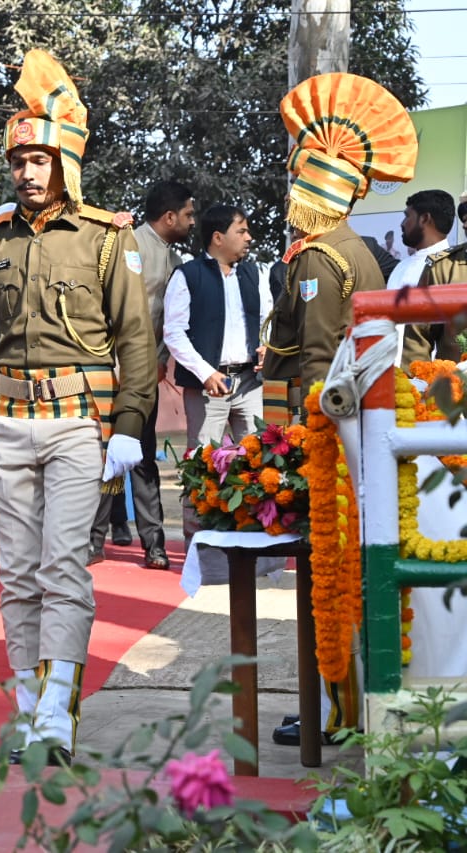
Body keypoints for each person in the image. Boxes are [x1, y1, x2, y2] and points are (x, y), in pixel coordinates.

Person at [0, 50, 156, 764]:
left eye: (39, 158)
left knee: (62, 568)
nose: (25, 171)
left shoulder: (105, 238)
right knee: (17, 572)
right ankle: (29, 703)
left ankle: (60, 706)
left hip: (81, 427)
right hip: (9, 426)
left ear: (66, 164)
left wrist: (131, 426)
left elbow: (135, 340)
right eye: (17, 158)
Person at [261, 72, 417, 747]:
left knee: (333, 576)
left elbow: (319, 360)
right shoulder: (364, 251)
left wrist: (297, 436)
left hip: (333, 435)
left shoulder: (319, 258)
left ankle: (337, 710)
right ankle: (342, 705)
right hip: (366, 429)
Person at [89, 180, 194, 569]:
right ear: (169, 216)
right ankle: (94, 540)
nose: (191, 221)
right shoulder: (124, 242)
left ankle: (154, 544)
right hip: (109, 367)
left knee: (144, 455)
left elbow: (167, 321)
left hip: (145, 370)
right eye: (188, 214)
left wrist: (161, 357)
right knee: (107, 454)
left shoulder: (174, 260)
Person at [164, 204, 268, 449]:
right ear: (218, 237)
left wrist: (265, 346)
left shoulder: (254, 273)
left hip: (249, 383)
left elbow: (264, 320)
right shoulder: (187, 275)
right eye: (241, 231)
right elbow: (174, 333)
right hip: (205, 387)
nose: (248, 238)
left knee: (256, 462)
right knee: (204, 464)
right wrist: (206, 373)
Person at [388, 189, 455, 367]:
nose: (402, 224)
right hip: (393, 376)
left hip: (433, 379)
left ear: (424, 219)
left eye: (407, 216)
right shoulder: (400, 267)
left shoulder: (451, 268)